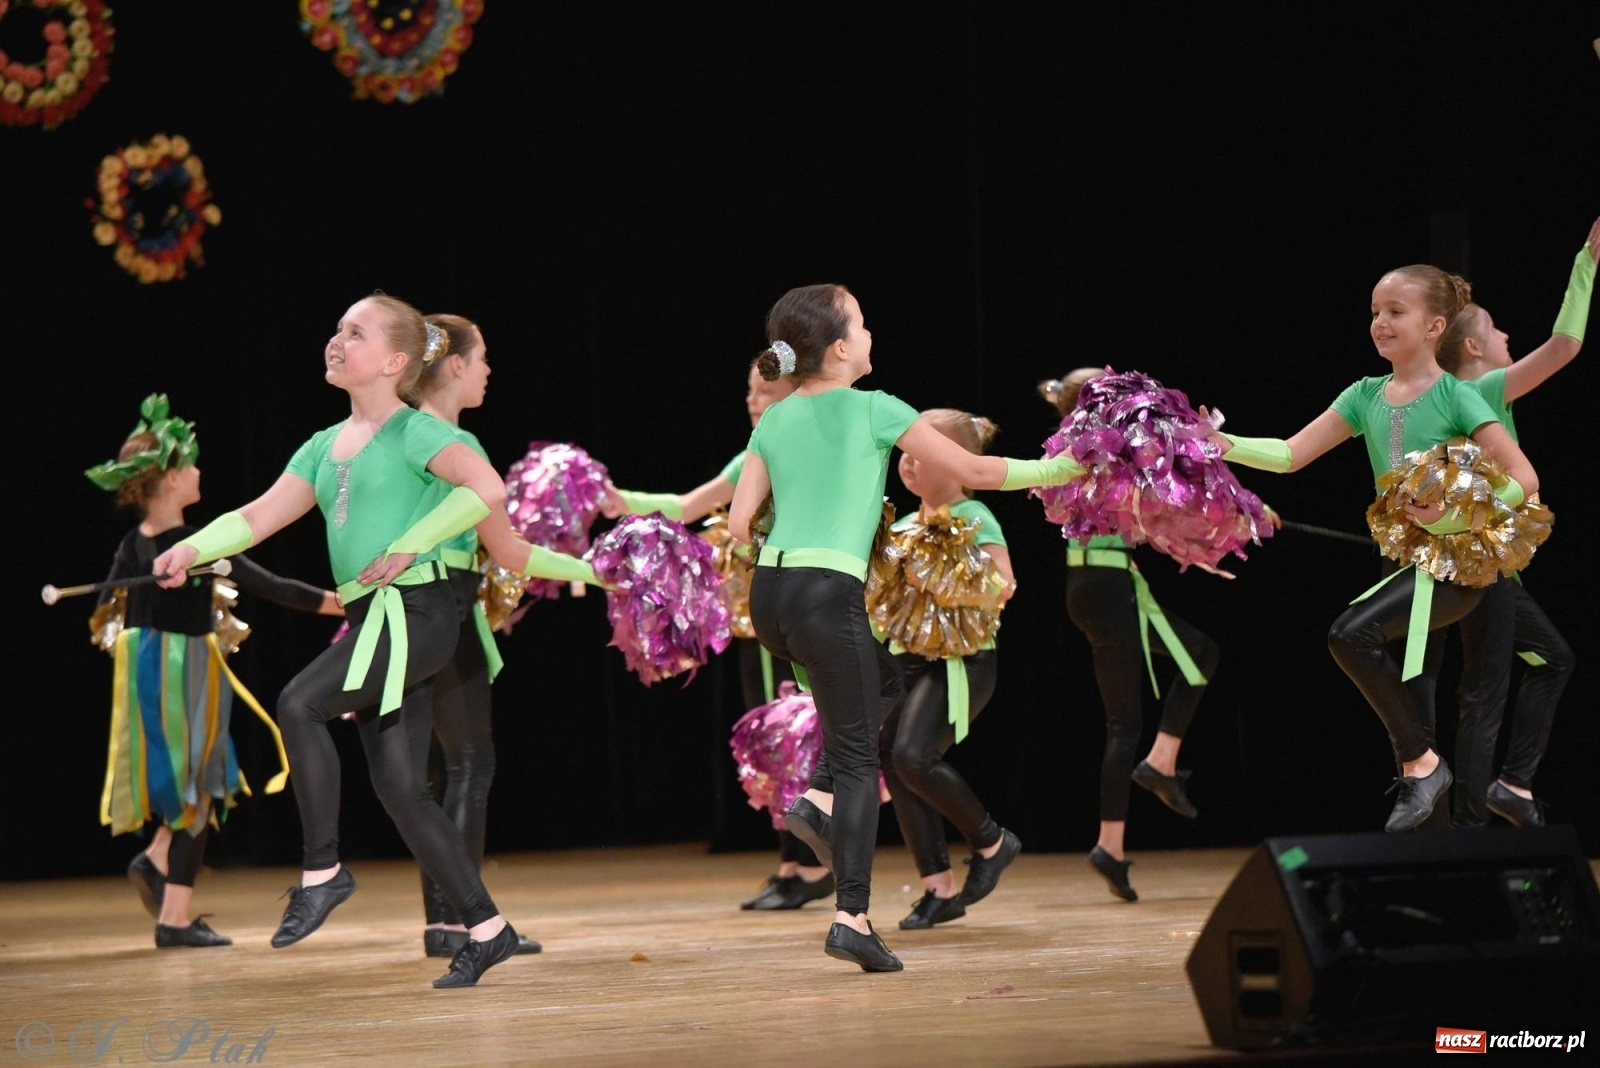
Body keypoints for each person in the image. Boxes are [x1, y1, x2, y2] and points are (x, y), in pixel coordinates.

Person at [152, 292, 534, 988]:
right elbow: (258, 515)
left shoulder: (415, 432)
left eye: (354, 333)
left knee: (300, 703)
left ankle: (323, 870)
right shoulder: (323, 446)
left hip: (418, 615)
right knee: (399, 787)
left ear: (393, 361)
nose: (336, 341)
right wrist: (192, 549)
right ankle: (487, 928)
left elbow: (486, 487)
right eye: (336, 329)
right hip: (373, 622)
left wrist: (407, 545)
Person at [727, 283, 1084, 972]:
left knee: (880, 687)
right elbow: (978, 469)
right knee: (863, 759)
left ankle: (820, 796)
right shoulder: (876, 408)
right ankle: (851, 916)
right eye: (860, 323)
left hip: (770, 597)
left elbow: (742, 525)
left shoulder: (771, 419)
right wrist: (1071, 465)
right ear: (838, 348)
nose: (869, 334)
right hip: (826, 595)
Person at [1208, 264, 1541, 833]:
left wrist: (1454, 514)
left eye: (1395, 312)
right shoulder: (1365, 394)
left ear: (1436, 325)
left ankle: (1426, 768)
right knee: (1411, 700)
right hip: (1401, 561)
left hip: (1456, 564)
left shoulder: (1457, 395)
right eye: (1374, 312)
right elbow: (1291, 454)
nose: (1380, 323)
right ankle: (1425, 817)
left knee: (1349, 634)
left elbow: (1523, 478)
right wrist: (1223, 443)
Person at [84, 393, 342, 948]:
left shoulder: (135, 543)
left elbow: (106, 604)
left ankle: (157, 858)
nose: (200, 470)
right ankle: (174, 919)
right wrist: (343, 602)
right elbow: (274, 588)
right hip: (183, 670)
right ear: (172, 478)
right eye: (192, 463)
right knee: (200, 790)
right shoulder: (192, 545)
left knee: (190, 785)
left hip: (147, 670)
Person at [404, 311, 605, 958]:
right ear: (455, 364)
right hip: (443, 610)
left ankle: (443, 920)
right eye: (482, 356)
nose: (489, 369)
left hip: (398, 615)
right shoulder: (454, 447)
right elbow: (512, 552)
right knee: (467, 764)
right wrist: (596, 571)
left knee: (432, 772)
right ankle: (469, 921)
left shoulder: (394, 437)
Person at [601, 358, 834, 911]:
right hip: (758, 614)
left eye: (765, 391)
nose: (753, 401)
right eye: (748, 390)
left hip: (803, 605)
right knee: (769, 739)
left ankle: (817, 864)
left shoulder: (811, 450)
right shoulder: (751, 455)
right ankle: (792, 863)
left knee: (801, 736)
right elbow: (687, 506)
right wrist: (619, 502)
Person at [1430, 216, 1596, 827]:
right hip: (1480, 563)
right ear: (1474, 347)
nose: (1506, 337)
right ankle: (1474, 823)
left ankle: (1511, 788)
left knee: (1552, 659)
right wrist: (1586, 267)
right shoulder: (1484, 389)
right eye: (1497, 331)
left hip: (1491, 562)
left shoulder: (1455, 395)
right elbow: (1565, 347)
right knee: (1484, 692)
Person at [1040, 369, 1220, 902]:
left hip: (1088, 585)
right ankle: (1160, 763)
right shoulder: (1104, 445)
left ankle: (1110, 846)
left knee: (1124, 722)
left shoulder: (1070, 448)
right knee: (1202, 655)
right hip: (1108, 585)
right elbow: (1169, 497)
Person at [876, 408, 1022, 930]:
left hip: (961, 662)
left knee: (914, 756)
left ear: (960, 466)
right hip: (905, 660)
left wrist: (947, 572)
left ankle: (993, 841)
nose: (910, 461)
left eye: (925, 453)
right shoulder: (904, 524)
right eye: (906, 451)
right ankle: (938, 890)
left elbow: (1003, 585)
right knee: (895, 765)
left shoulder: (977, 518)